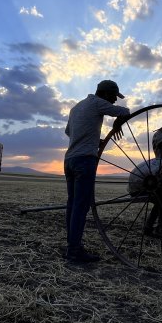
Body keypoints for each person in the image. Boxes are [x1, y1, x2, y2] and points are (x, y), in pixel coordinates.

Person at [64, 80, 130, 263]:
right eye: (114, 97)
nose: (115, 101)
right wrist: (117, 125)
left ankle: (71, 245)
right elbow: (125, 112)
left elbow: (69, 132)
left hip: (69, 159)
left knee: (72, 204)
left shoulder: (76, 107)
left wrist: (94, 140)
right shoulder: (97, 102)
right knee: (81, 206)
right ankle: (74, 251)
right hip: (85, 160)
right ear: (106, 94)